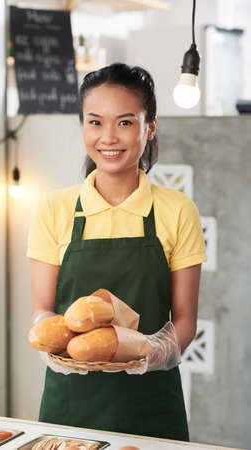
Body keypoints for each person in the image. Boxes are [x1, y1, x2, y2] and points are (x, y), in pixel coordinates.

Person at [27, 63, 207, 442]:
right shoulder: (54, 209)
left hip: (151, 409)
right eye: (95, 122)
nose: (108, 137)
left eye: (125, 122)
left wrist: (156, 352)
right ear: (83, 127)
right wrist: (50, 346)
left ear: (150, 127)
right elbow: (43, 310)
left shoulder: (177, 210)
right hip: (69, 409)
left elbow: (186, 318)